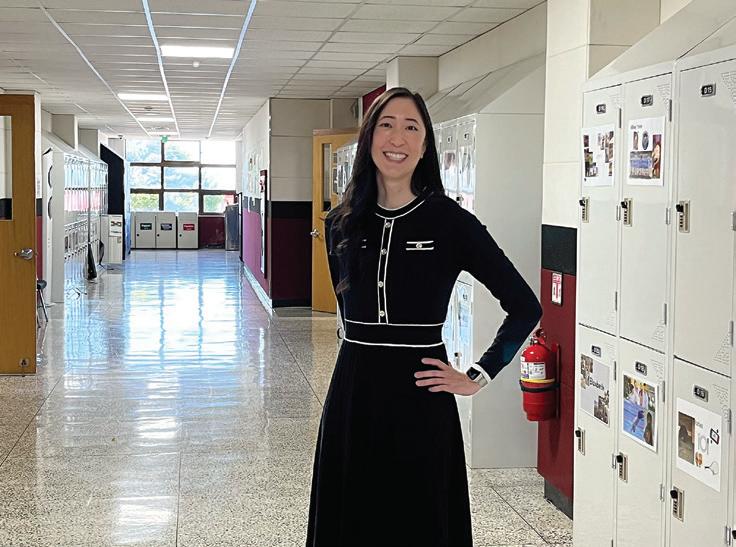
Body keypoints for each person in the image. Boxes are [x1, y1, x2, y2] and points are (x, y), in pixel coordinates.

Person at [306, 87, 542, 547]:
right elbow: (348, 314)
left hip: (421, 398)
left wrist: (478, 374)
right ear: (369, 137)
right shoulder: (341, 224)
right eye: (386, 125)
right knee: (350, 518)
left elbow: (524, 306)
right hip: (353, 394)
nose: (397, 138)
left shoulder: (451, 223)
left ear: (425, 144)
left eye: (411, 127)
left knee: (420, 520)